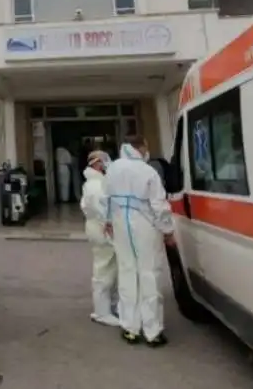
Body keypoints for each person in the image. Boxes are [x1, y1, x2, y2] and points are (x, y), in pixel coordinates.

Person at [103, 135, 175, 347]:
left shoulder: (113, 168)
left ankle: (130, 328)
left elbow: (104, 198)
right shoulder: (148, 171)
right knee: (149, 274)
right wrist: (168, 231)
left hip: (120, 225)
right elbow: (159, 205)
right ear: (140, 147)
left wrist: (107, 220)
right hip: (145, 226)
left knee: (127, 272)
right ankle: (152, 331)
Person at [80, 150, 119, 327]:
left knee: (109, 268)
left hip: (99, 227)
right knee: (104, 269)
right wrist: (109, 224)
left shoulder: (95, 181)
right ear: (97, 163)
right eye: (105, 160)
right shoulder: (96, 185)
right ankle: (102, 312)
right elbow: (100, 209)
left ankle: (109, 307)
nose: (107, 163)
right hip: (101, 229)